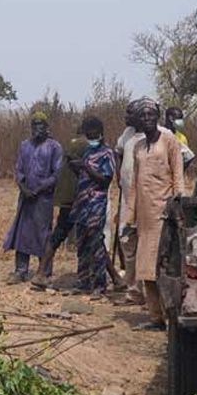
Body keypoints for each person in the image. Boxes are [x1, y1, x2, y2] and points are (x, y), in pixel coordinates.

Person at [123, 100, 184, 330]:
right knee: (145, 268)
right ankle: (155, 316)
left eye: (151, 114)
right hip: (144, 217)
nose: (147, 118)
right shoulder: (138, 147)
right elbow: (134, 186)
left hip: (164, 214)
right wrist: (129, 218)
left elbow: (177, 173)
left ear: (157, 117)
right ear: (138, 121)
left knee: (163, 268)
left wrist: (177, 201)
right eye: (143, 116)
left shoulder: (169, 140)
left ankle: (170, 318)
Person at [3, 112, 63, 284]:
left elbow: (57, 174)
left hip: (43, 198)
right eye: (35, 125)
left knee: (43, 234)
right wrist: (23, 187)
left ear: (47, 127)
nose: (38, 128)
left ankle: (44, 272)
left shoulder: (54, 147)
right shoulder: (24, 145)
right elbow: (19, 169)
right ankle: (20, 270)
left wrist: (39, 188)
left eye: (41, 125)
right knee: (22, 233)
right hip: (26, 197)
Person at [67, 118, 116, 299]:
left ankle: (99, 285)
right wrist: (76, 167)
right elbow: (83, 174)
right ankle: (83, 281)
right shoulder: (88, 151)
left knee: (96, 243)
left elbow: (105, 179)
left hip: (96, 203)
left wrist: (86, 167)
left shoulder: (107, 153)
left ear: (100, 132)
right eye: (88, 134)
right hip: (82, 204)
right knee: (82, 243)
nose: (90, 137)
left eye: (93, 133)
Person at [33, 128, 85, 290]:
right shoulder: (86, 147)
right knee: (94, 237)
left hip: (66, 199)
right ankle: (113, 277)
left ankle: (40, 273)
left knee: (57, 235)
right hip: (79, 199)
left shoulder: (71, 145)